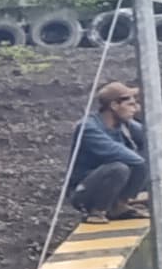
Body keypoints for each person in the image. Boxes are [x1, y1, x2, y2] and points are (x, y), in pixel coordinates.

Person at [65, 79, 157, 219]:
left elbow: (153, 140)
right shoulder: (88, 128)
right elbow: (124, 155)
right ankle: (99, 210)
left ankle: (120, 204)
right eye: (130, 104)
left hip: (114, 185)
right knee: (120, 168)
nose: (136, 108)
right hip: (84, 191)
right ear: (114, 105)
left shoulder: (124, 124)